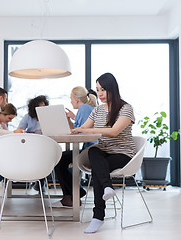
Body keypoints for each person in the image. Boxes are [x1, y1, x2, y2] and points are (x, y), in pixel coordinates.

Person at [73, 73, 136, 233]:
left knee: (97, 169)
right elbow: (85, 129)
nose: (99, 94)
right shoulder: (97, 110)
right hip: (104, 152)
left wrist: (86, 129)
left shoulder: (126, 108)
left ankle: (98, 217)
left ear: (112, 89)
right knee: (94, 151)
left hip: (123, 155)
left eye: (103, 90)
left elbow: (114, 132)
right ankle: (108, 187)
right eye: (97, 90)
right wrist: (75, 130)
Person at [53, 86, 98, 208]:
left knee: (59, 160)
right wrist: (70, 119)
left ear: (77, 99)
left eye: (71, 99)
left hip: (89, 151)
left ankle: (75, 193)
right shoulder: (85, 108)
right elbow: (77, 129)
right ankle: (70, 197)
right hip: (89, 149)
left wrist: (73, 121)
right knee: (60, 159)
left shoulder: (84, 108)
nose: (71, 101)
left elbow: (80, 132)